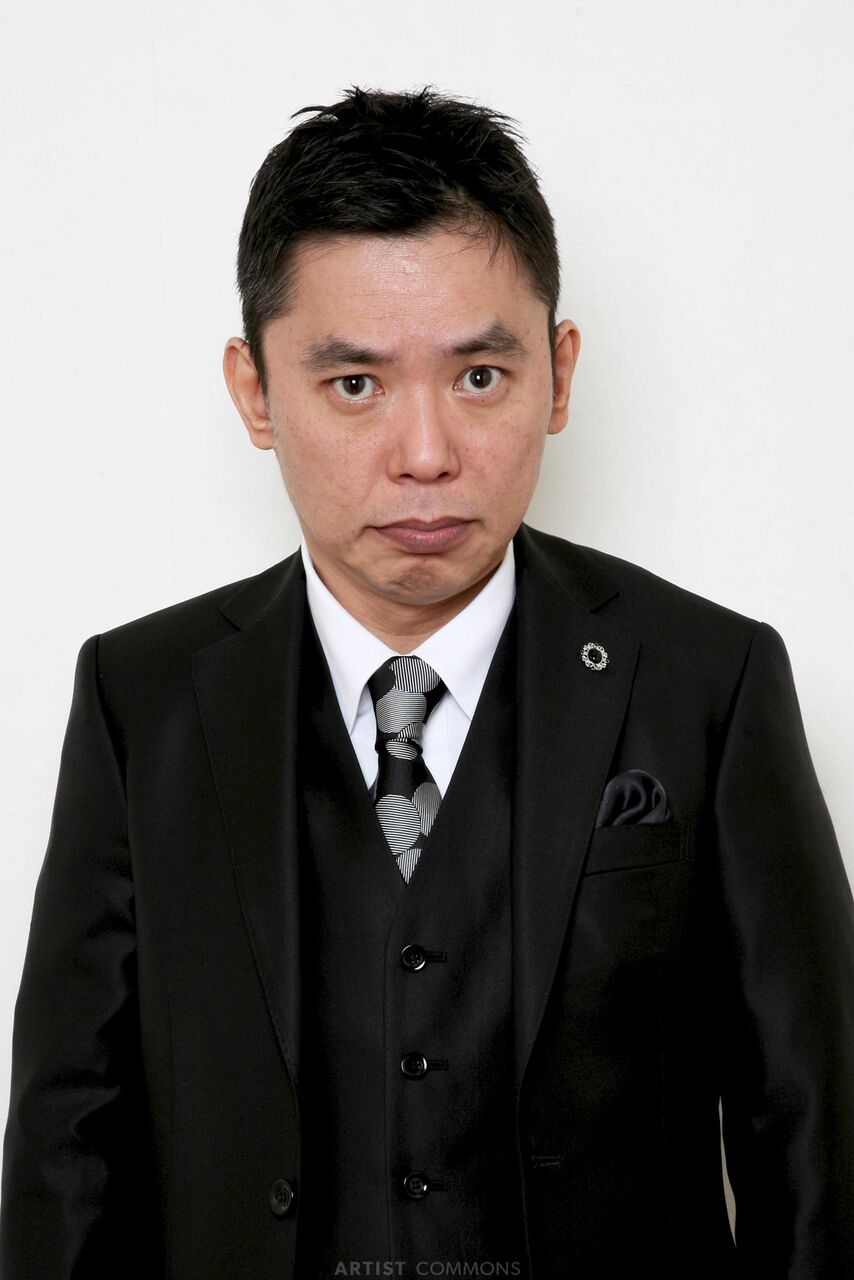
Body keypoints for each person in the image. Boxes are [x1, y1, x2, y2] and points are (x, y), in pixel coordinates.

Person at [1, 84, 852, 1280]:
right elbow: (67, 1145)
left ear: (558, 373)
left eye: (479, 376)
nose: (424, 454)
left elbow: (812, 1139)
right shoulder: (139, 699)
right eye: (354, 383)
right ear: (255, 392)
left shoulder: (709, 680)